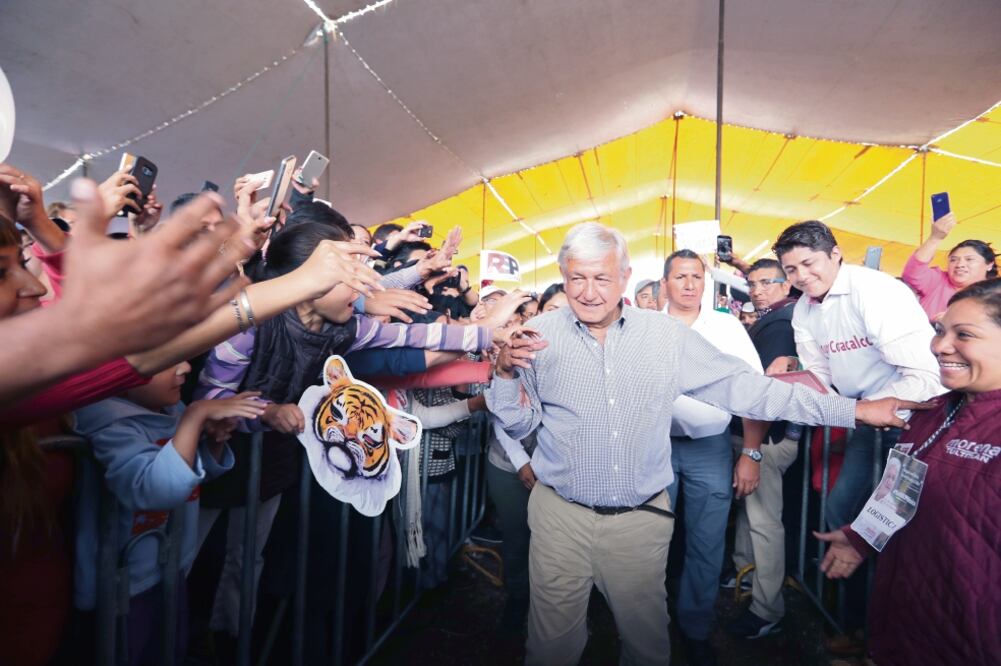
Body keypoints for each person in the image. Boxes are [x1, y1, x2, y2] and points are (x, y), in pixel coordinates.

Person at [486, 221, 926, 666]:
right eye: (576, 278)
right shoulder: (538, 335)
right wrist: (503, 374)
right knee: (550, 645)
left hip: (638, 521)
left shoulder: (664, 337)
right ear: (563, 276)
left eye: (601, 278)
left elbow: (750, 390)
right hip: (559, 516)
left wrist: (853, 411)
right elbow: (519, 424)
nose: (588, 292)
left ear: (624, 276)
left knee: (645, 642)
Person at [815, 278, 1001, 666]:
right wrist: (861, 536)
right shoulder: (931, 411)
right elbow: (901, 489)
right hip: (908, 618)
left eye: (963, 334)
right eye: (940, 330)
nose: (940, 346)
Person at [71, 365, 262, 665]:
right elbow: (157, 489)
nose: (186, 367)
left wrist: (213, 443)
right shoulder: (110, 426)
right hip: (123, 588)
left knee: (170, 651)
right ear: (119, 374)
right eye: (167, 361)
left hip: (171, 569)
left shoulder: (171, 410)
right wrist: (196, 416)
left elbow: (189, 477)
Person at [770, 221, 946, 531]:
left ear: (835, 254)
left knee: (901, 520)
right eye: (791, 269)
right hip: (866, 418)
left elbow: (925, 375)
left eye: (809, 263)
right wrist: (800, 383)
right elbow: (819, 373)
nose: (802, 276)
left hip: (917, 419)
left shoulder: (874, 290)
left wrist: (855, 410)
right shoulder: (803, 310)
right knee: (841, 508)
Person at [659, 249, 770, 665]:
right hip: (654, 447)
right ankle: (647, 622)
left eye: (696, 277)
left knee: (706, 542)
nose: (690, 284)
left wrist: (751, 452)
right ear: (664, 284)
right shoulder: (646, 326)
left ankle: (695, 628)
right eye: (680, 277)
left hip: (710, 448)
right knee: (649, 539)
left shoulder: (726, 327)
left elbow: (754, 392)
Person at [726, 258, 800, 640]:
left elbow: (767, 392)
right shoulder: (775, 319)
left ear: (786, 285)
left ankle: (767, 608)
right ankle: (745, 574)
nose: (756, 290)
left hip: (766, 440)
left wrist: (752, 451)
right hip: (759, 437)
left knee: (765, 522)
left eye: (766, 282)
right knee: (751, 512)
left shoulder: (780, 324)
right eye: (752, 284)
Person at [902, 211, 997, 320]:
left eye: (969, 259)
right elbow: (913, 272)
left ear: (989, 265)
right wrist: (935, 237)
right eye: (953, 260)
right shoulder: (938, 281)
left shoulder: (995, 293)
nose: (960, 264)